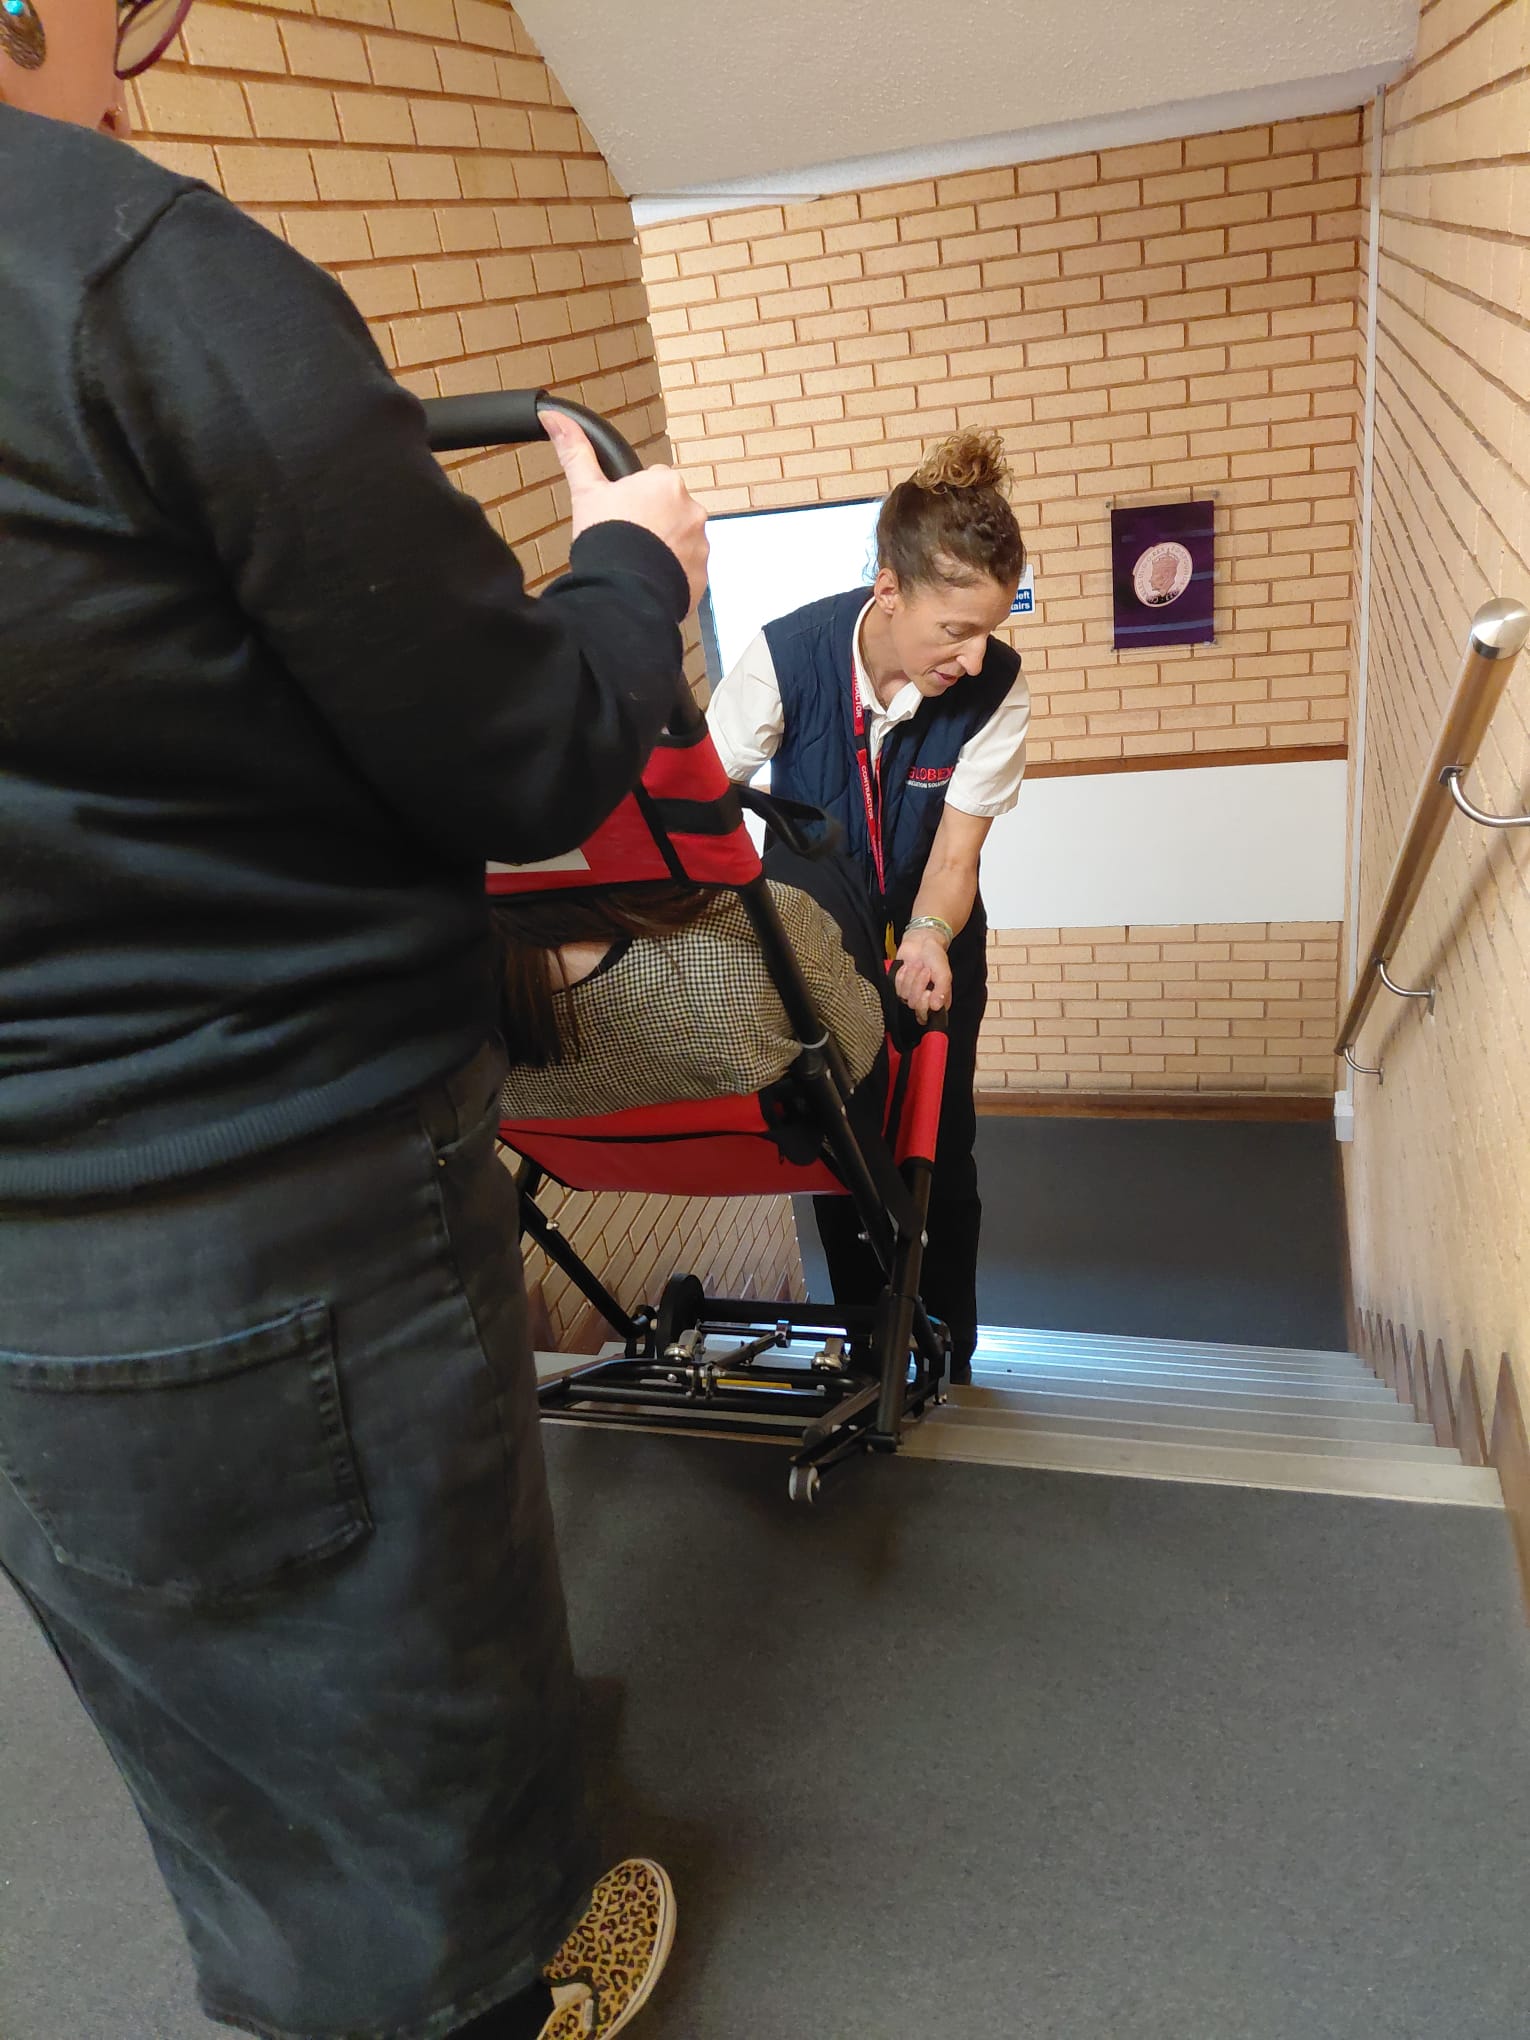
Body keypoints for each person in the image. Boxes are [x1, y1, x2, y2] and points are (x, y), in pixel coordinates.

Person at [0, 7, 710, 2040]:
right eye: (126, 19)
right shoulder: (130, 270)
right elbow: (520, 758)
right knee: (404, 1665)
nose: (135, 76)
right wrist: (630, 573)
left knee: (184, 1693)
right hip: (270, 1184)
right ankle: (503, 1995)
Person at [706, 431, 1030, 1382]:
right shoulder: (785, 656)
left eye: (992, 629)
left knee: (942, 1146)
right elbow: (698, 810)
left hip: (932, 940)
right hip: (811, 942)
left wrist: (931, 936)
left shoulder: (995, 691)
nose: (973, 658)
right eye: (954, 632)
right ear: (889, 590)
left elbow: (957, 852)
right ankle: (865, 1344)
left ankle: (949, 1350)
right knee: (838, 1147)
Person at [491, 846, 888, 1126]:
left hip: (641, 1166)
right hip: (832, 1129)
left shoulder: (452, 1061)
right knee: (811, 857)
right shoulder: (736, 940)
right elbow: (859, 1050)